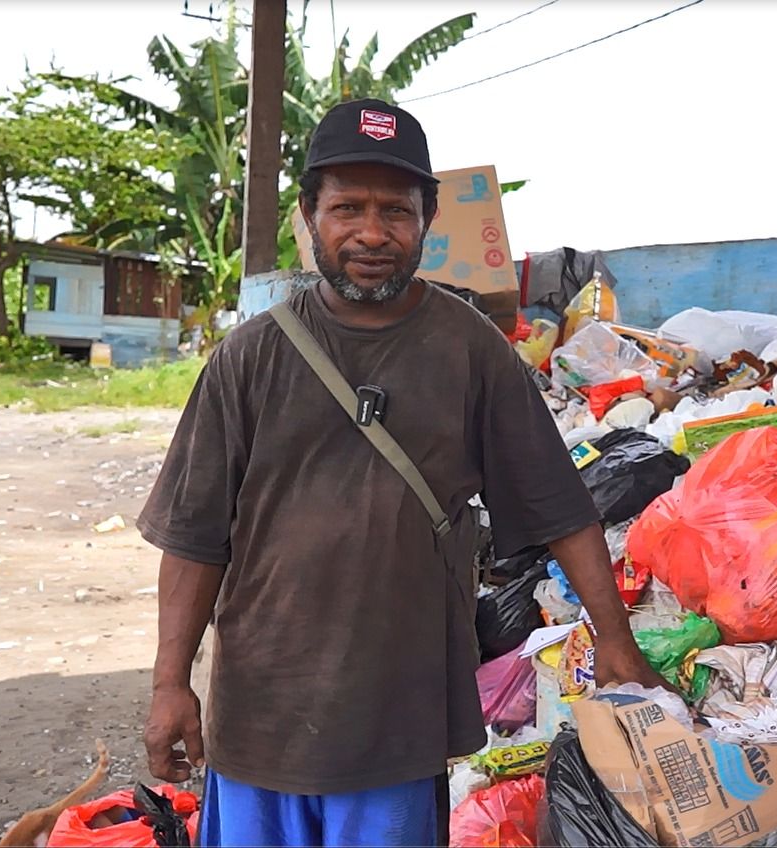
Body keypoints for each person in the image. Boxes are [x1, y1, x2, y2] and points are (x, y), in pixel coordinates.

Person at [137, 98, 665, 847]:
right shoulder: (249, 357)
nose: (373, 233)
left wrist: (615, 637)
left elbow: (558, 505)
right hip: (260, 709)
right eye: (347, 207)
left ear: (428, 218)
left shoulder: (471, 350)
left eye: (397, 210)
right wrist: (169, 682)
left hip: (396, 710)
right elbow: (194, 536)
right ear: (309, 214)